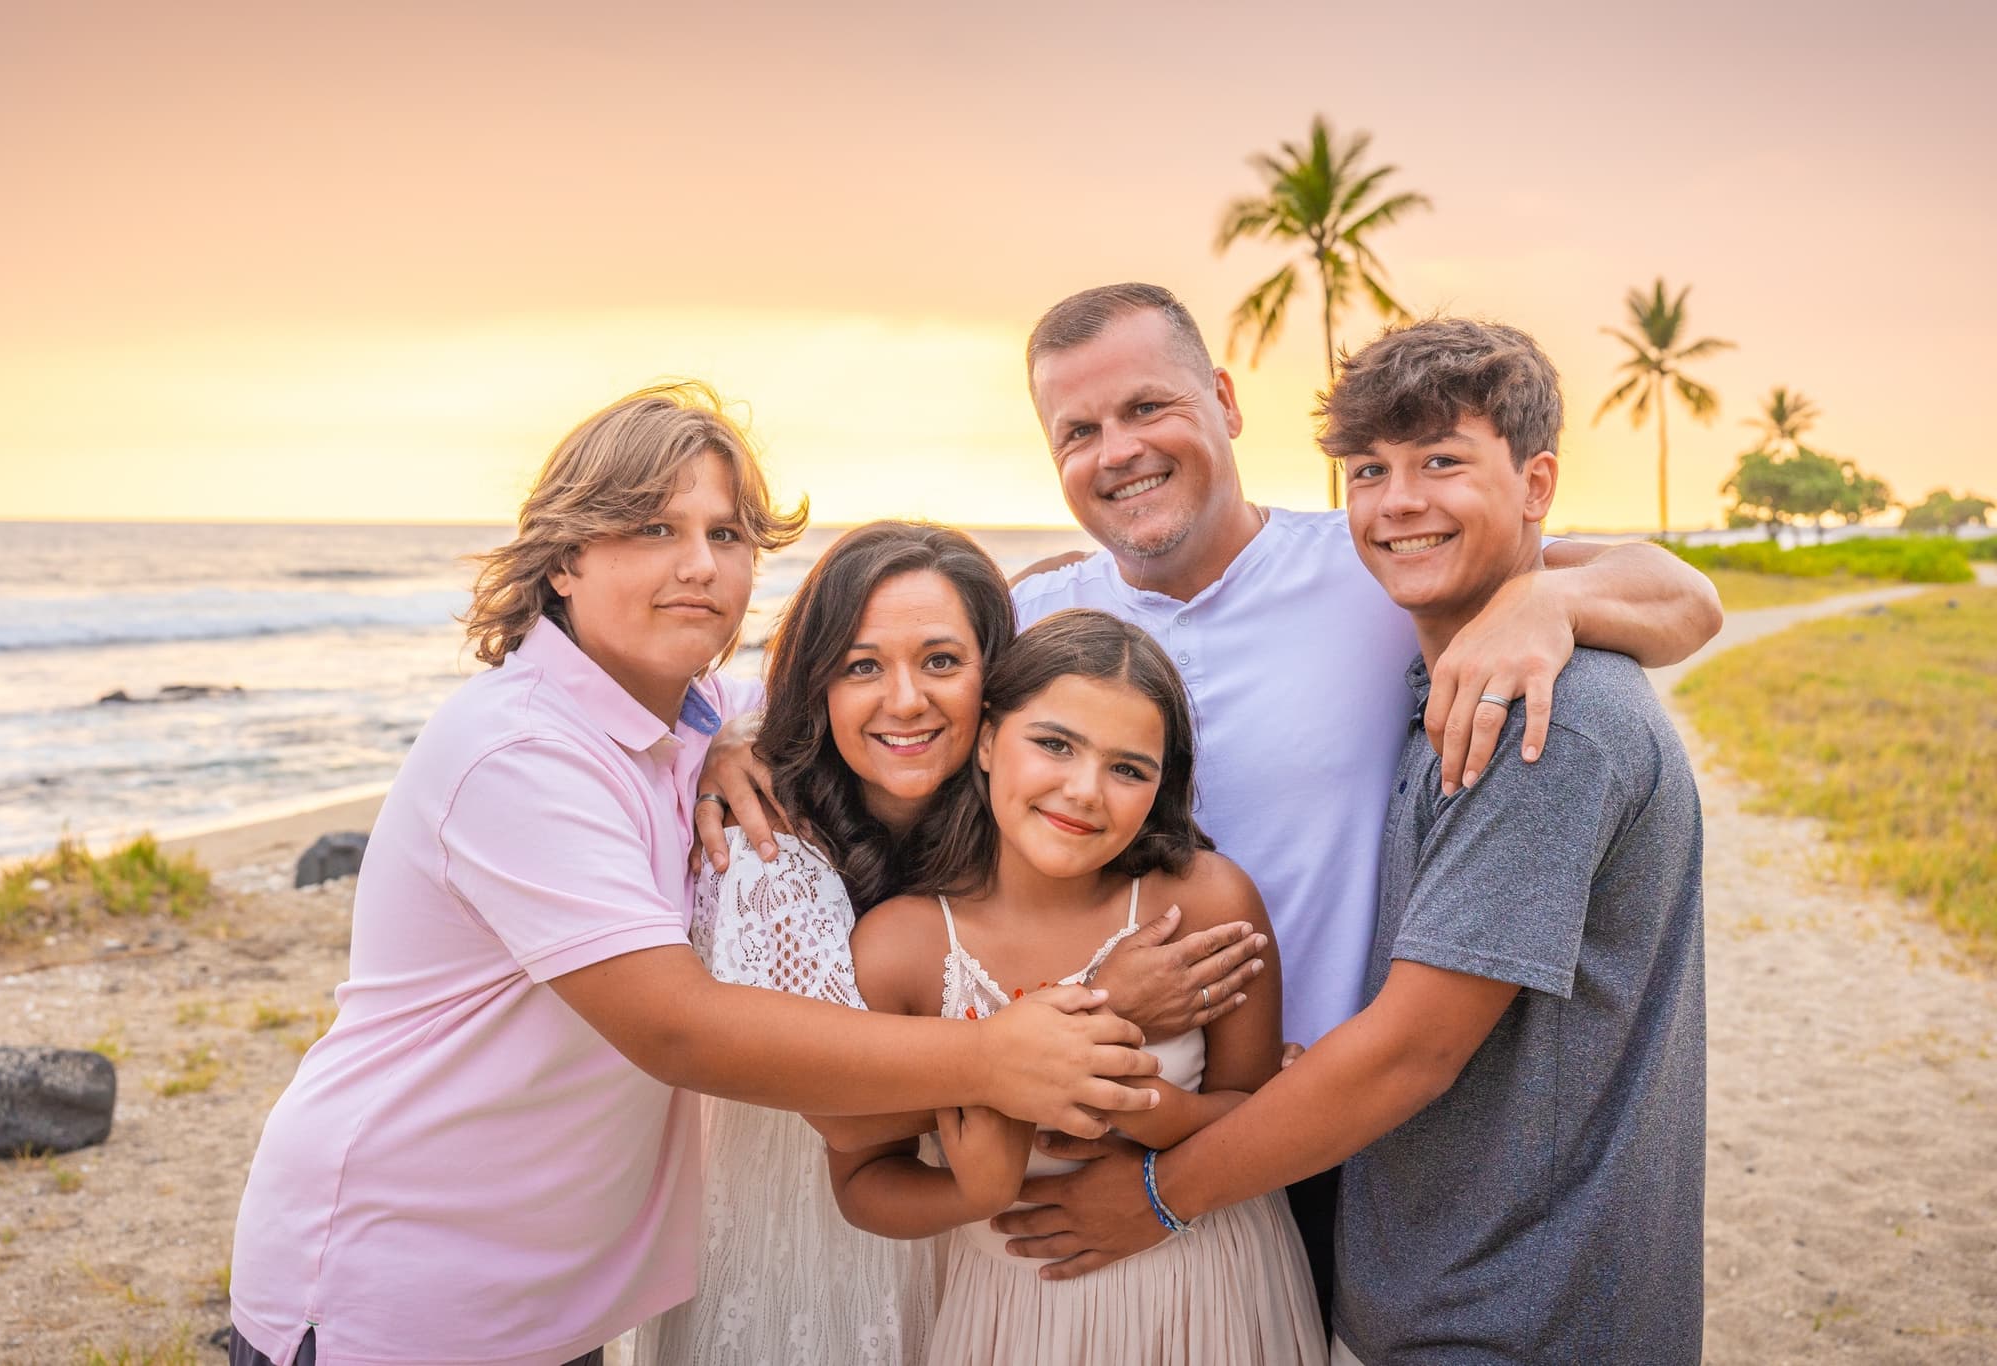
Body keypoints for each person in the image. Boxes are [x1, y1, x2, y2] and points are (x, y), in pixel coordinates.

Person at [225, 386, 1163, 1366]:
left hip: (556, 1295)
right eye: (651, 526)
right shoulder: (515, 749)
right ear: (562, 558)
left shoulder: (696, 712)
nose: (698, 565)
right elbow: (676, 1025)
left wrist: (731, 742)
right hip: (403, 1280)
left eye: (725, 533)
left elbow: (858, 699)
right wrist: (993, 1056)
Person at [984, 282, 1722, 1308]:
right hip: (1105, 1118)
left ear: (1225, 403)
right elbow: (875, 731)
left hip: (1338, 1133)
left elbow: (1685, 596)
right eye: (1078, 429)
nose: (1116, 450)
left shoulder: (1374, 564)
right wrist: (732, 756)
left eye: (1147, 407)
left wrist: (1544, 595)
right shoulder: (1029, 622)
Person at [632, 521, 1267, 1365]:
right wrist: (1104, 1007)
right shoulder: (772, 845)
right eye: (861, 666)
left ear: (993, 692)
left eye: (941, 662)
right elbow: (840, 1116)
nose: (905, 700)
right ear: (817, 683)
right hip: (826, 1238)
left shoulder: (1012, 829)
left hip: (1000, 1267)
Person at [833, 610, 1325, 1366]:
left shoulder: (1204, 905)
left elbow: (1256, 1112)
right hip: (1015, 1311)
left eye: (1129, 769)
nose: (1085, 790)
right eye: (1055, 745)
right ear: (990, 739)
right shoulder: (902, 946)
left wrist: (1155, 1108)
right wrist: (978, 1194)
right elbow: (864, 1179)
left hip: (1211, 1288)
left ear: (1163, 785)